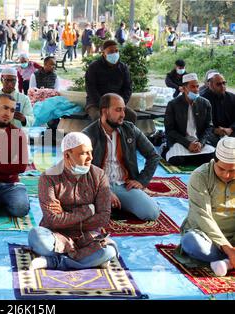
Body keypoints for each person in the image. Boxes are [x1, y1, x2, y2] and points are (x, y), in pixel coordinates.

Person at [28, 132, 117, 270]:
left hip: (87, 237)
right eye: (84, 153)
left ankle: (52, 262)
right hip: (56, 235)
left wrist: (65, 216)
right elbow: (53, 220)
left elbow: (104, 218)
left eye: (91, 152)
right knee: (37, 237)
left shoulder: (99, 176)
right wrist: (88, 210)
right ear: (67, 155)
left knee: (109, 250)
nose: (90, 158)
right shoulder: (48, 178)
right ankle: (89, 260)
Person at [83, 93, 161, 221]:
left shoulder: (130, 129)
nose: (123, 115)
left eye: (123, 109)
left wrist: (142, 181)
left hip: (123, 185)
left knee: (151, 213)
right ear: (105, 111)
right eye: (118, 110)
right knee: (83, 212)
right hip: (96, 187)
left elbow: (153, 155)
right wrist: (105, 192)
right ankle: (110, 206)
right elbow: (80, 168)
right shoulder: (88, 135)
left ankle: (115, 206)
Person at [180, 137, 235, 277]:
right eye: (221, 169)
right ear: (214, 160)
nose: (227, 175)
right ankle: (227, 258)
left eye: (232, 171)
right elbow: (204, 216)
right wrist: (228, 248)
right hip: (206, 237)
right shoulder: (200, 176)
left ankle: (225, 263)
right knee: (191, 242)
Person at [164, 73, 215, 166]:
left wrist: (201, 143)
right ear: (184, 88)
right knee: (175, 159)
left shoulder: (205, 103)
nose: (196, 90)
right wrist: (188, 144)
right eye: (192, 87)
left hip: (199, 141)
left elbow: (209, 127)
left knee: (214, 156)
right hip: (180, 142)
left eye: (197, 86)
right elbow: (169, 130)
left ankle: (192, 158)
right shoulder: (173, 104)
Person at [85, 40, 136, 123]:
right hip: (96, 104)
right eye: (111, 51)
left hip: (117, 103)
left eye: (116, 51)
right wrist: (104, 106)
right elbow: (91, 89)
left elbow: (128, 88)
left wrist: (120, 104)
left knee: (131, 116)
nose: (114, 53)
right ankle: (102, 136)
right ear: (104, 53)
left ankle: (123, 136)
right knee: (99, 118)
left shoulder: (123, 68)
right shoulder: (94, 67)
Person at [201, 72, 235, 145]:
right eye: (218, 84)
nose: (222, 86)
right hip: (212, 132)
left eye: (224, 83)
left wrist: (231, 128)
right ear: (210, 85)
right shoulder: (203, 100)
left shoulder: (232, 97)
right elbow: (200, 122)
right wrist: (214, 130)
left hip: (231, 130)